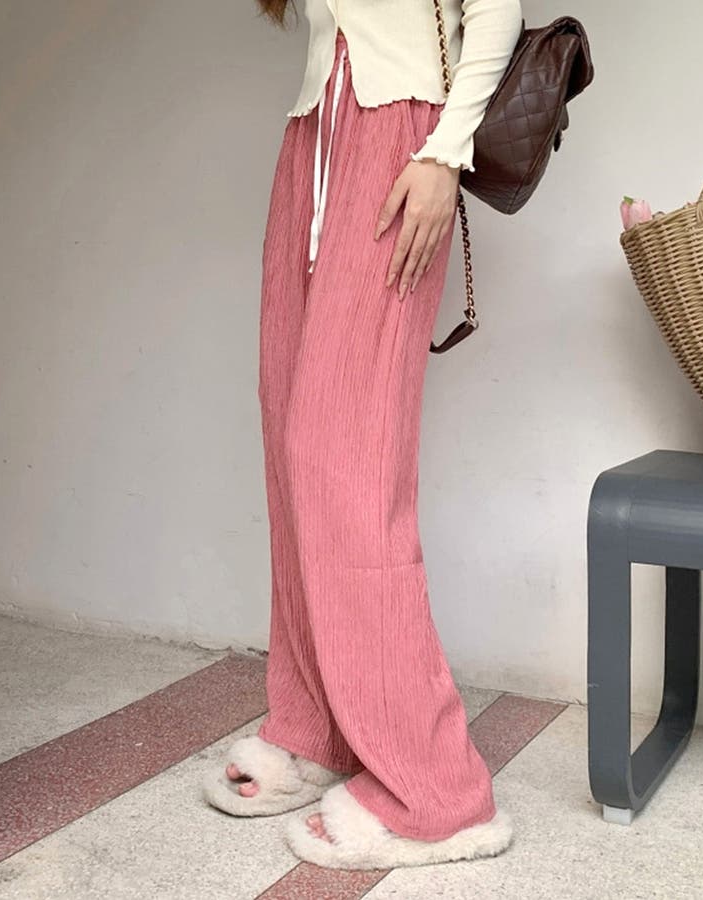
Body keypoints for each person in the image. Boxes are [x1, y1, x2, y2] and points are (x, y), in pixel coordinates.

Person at [202, 0, 523, 870]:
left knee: (344, 457)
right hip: (313, 136)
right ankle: (316, 728)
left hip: (402, 144)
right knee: (291, 441)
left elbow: (495, 8)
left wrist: (445, 153)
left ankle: (438, 794)